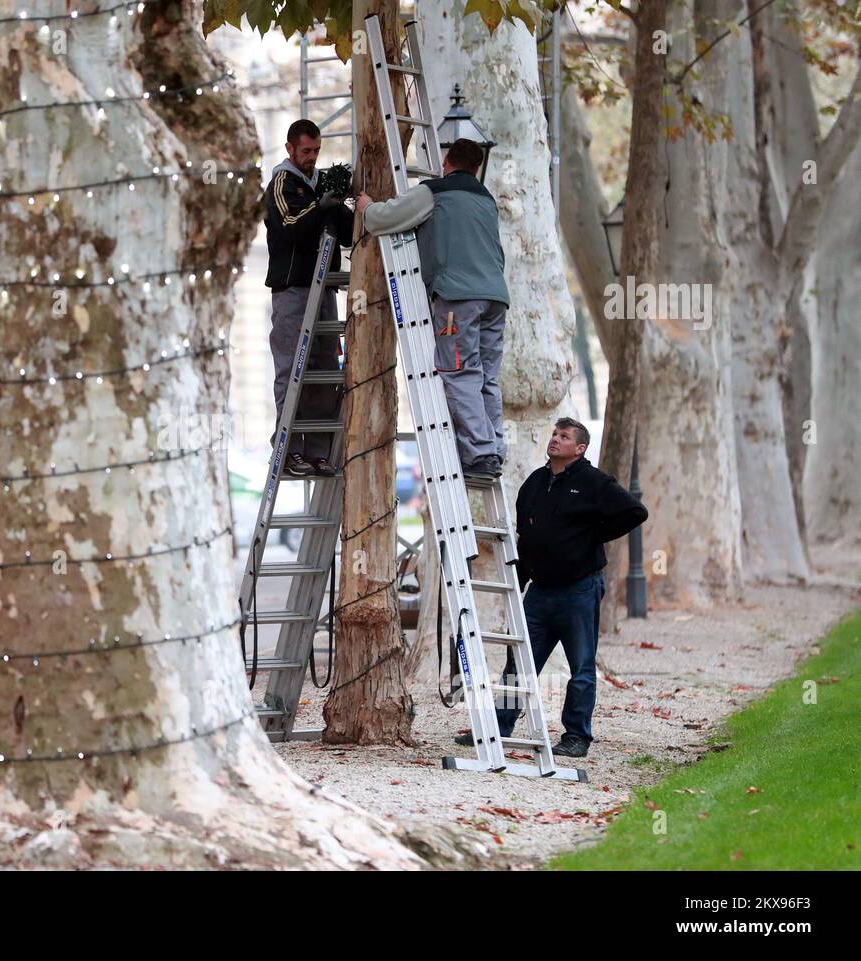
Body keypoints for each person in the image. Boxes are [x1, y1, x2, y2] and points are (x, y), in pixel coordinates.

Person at [455, 418, 649, 758]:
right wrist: (519, 585)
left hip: (579, 590)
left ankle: (576, 736)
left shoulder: (594, 482)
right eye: (555, 434)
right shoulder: (535, 482)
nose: (556, 440)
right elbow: (525, 538)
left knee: (582, 668)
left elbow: (635, 511)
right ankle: (499, 728)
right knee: (519, 662)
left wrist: (593, 535)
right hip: (539, 593)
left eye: (565, 437)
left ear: (580, 448)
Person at [355, 138, 509, 478]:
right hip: (496, 298)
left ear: (446, 162)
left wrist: (366, 207)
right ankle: (494, 448)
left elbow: (384, 219)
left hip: (459, 298)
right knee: (487, 375)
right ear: (477, 168)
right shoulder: (486, 200)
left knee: (459, 370)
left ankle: (480, 454)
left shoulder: (434, 193)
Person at [263, 119, 355, 478]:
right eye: (305, 151)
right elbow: (291, 227)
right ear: (290, 149)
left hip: (324, 288)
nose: (311, 158)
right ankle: (288, 450)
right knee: (293, 370)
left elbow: (346, 233)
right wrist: (323, 205)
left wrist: (345, 201)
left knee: (325, 371)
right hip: (294, 292)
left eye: (316, 151)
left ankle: (316, 452)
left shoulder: (318, 185)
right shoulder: (282, 184)